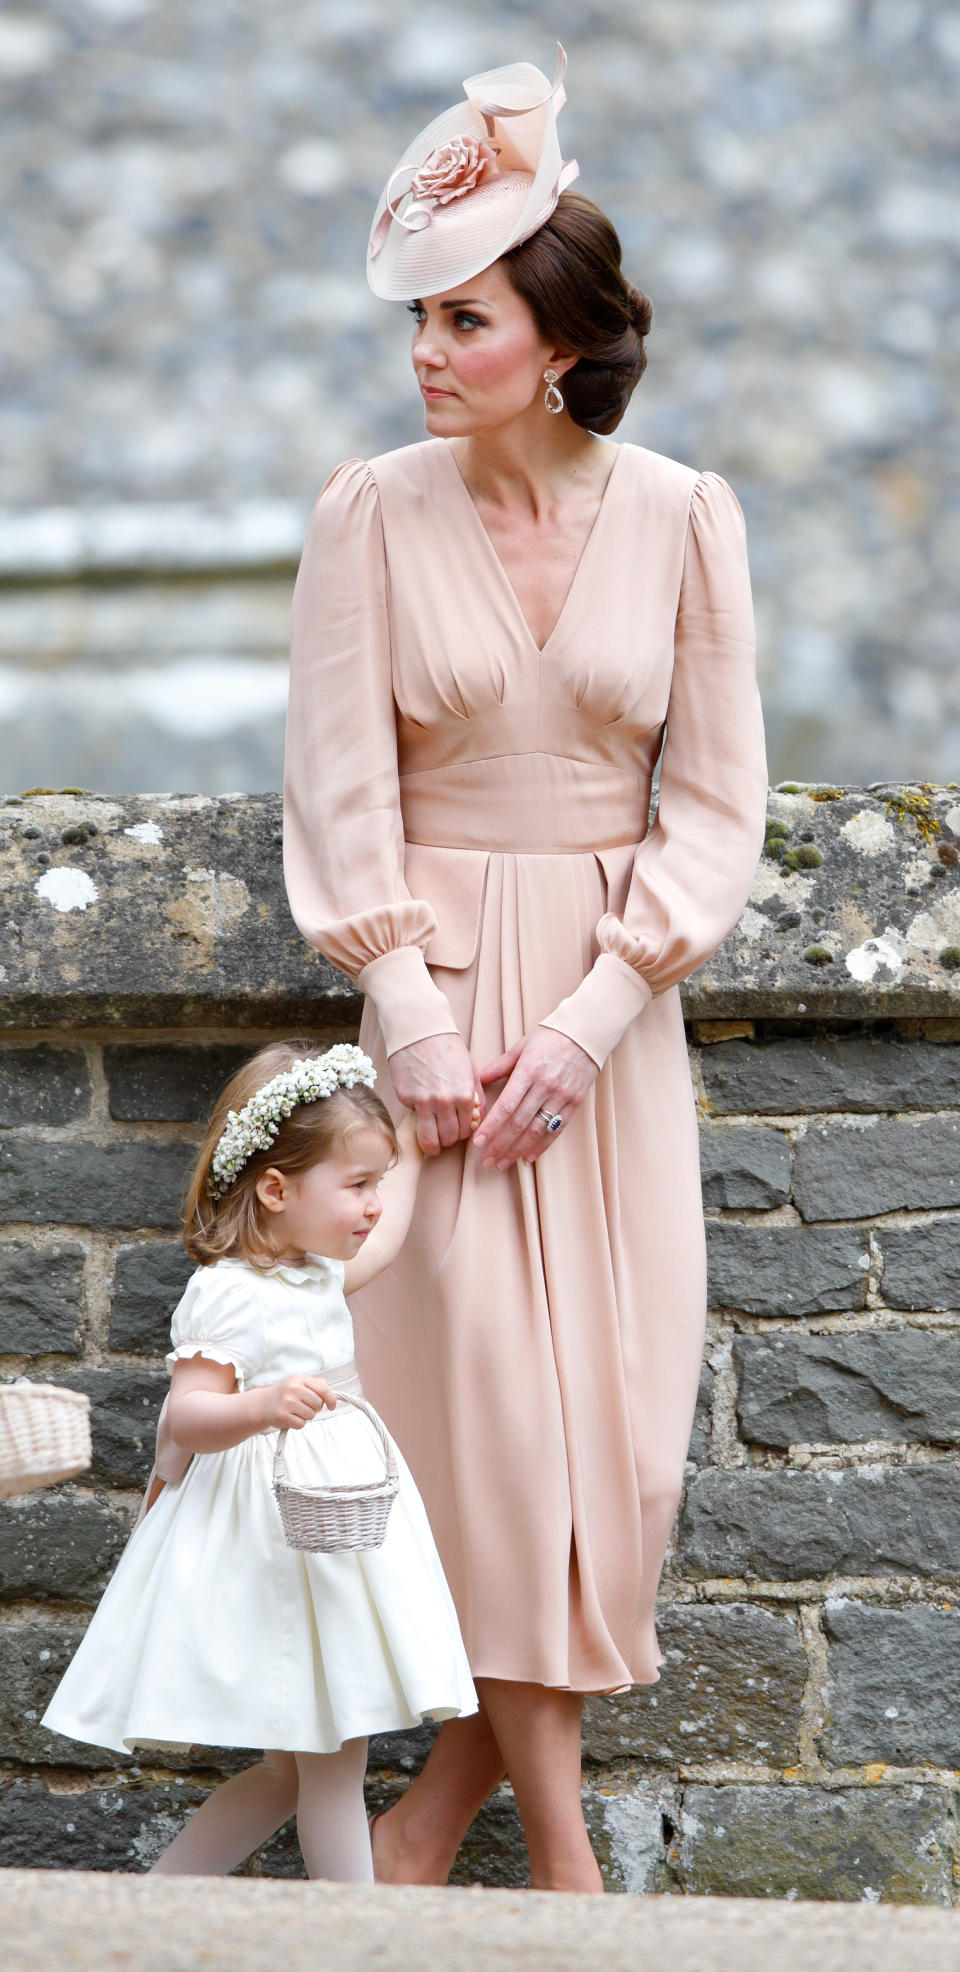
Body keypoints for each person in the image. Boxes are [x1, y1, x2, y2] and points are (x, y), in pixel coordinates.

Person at [283, 47, 768, 1893]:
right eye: (419, 317)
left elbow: (718, 807)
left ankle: (417, 1835)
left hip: (607, 1038)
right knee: (485, 1449)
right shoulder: (368, 514)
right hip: (436, 1033)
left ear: (555, 341)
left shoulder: (687, 517)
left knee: (614, 1471)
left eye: (462, 317)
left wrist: (595, 1008)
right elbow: (336, 791)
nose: (424, 349)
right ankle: (569, 1878)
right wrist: (405, 1011)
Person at [41, 1042, 477, 1880]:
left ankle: (161, 1902)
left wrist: (420, 1147)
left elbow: (384, 1249)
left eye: (376, 1185)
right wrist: (262, 1407)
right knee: (326, 1759)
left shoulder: (317, 1269)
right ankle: (359, 1941)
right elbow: (189, 1414)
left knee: (300, 1768)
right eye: (357, 1187)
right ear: (275, 1190)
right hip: (274, 1529)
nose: (374, 1207)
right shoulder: (231, 1289)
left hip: (334, 1521)